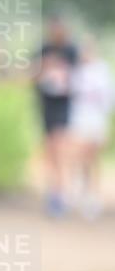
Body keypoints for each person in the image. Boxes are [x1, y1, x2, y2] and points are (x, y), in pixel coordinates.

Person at [33, 16, 79, 216]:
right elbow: (33, 72)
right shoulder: (44, 49)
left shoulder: (71, 51)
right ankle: (54, 193)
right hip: (46, 105)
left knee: (60, 149)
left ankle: (61, 195)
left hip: (63, 106)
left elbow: (78, 77)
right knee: (50, 152)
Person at [68, 36, 114, 219]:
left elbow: (109, 99)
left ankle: (92, 196)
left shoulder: (102, 70)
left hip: (97, 121)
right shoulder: (76, 71)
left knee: (92, 158)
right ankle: (80, 190)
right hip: (79, 120)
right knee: (80, 156)